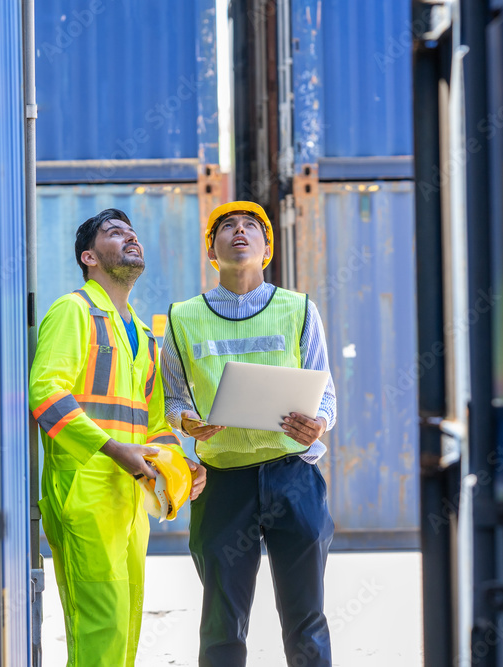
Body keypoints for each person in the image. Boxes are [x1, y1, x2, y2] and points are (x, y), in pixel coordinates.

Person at [161, 200, 337, 667]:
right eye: (227, 227)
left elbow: (327, 397)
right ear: (212, 251)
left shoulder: (299, 309)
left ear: (266, 250)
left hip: (292, 477)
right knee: (222, 621)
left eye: (251, 227)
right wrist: (186, 423)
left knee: (306, 618)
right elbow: (173, 399)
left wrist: (318, 423)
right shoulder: (181, 318)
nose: (239, 231)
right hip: (222, 482)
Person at [30, 208, 206, 667]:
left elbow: (154, 427)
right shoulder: (74, 311)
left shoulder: (146, 337)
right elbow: (46, 394)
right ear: (89, 257)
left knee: (125, 631)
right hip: (84, 493)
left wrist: (179, 468)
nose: (130, 237)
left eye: (132, 232)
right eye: (114, 232)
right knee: (99, 631)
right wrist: (114, 450)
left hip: (130, 499)